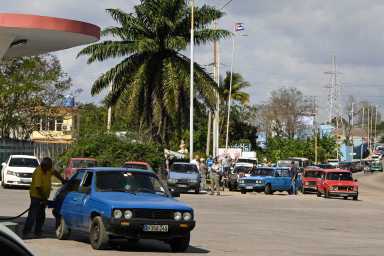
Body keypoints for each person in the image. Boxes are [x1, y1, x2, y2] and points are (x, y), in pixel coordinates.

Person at [22, 157, 65, 237]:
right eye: (47, 168)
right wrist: (43, 199)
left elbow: (55, 172)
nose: (49, 169)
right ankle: (26, 232)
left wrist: (62, 180)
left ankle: (37, 231)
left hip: (43, 197)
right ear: (43, 166)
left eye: (49, 167)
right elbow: (38, 187)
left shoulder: (48, 169)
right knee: (33, 215)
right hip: (36, 196)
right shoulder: (38, 172)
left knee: (41, 215)